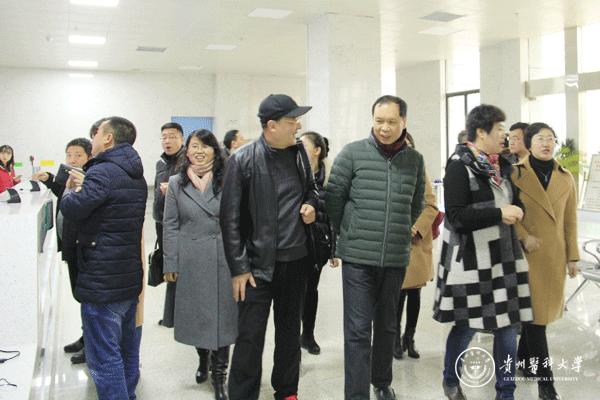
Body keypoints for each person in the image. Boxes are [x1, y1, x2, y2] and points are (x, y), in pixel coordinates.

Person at [326, 95, 425, 400]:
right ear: (372, 120)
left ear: (403, 122)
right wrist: (349, 231)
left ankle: (381, 382)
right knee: (357, 330)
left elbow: (416, 204)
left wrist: (397, 231)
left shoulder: (414, 160)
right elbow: (334, 199)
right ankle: (357, 395)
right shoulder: (352, 153)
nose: (385, 128)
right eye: (379, 121)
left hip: (394, 257)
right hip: (358, 257)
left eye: (392, 122)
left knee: (387, 326)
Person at [220, 93, 318, 400]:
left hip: (296, 262)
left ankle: (287, 391)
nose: (298, 126)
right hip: (256, 267)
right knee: (250, 338)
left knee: (289, 334)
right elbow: (229, 219)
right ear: (271, 126)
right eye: (292, 121)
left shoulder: (299, 154)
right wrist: (239, 268)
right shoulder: (242, 160)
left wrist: (312, 205)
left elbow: (313, 190)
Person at [433, 104, 533, 400]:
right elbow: (456, 216)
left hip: (505, 257)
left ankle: (506, 393)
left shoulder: (503, 166)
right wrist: (500, 213)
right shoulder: (458, 166)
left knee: (507, 327)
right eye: (499, 129)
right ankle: (451, 380)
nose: (504, 135)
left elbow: (514, 202)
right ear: (481, 131)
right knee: (466, 327)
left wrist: (517, 210)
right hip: (472, 261)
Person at [60, 117, 147, 400]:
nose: (93, 138)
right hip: (127, 276)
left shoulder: (102, 172)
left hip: (102, 279)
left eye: (96, 133)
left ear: (108, 138)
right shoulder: (135, 174)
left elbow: (74, 209)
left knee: (104, 358)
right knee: (126, 350)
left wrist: (71, 189)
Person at [162, 129, 237, 400]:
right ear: (187, 150)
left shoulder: (228, 179)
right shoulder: (176, 183)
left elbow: (238, 220)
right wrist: (170, 262)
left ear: (215, 150)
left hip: (222, 258)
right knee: (197, 315)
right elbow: (170, 225)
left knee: (223, 319)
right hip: (190, 258)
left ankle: (220, 376)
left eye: (205, 146)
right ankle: (203, 357)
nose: (199, 151)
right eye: (194, 146)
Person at [511, 122, 579, 400]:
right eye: (540, 138)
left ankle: (523, 358)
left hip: (553, 256)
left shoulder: (566, 177)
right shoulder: (515, 174)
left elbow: (570, 221)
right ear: (529, 143)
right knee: (537, 318)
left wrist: (573, 256)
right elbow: (507, 213)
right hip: (525, 254)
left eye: (551, 138)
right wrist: (524, 236)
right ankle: (546, 384)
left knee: (538, 317)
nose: (546, 143)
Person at [32, 137, 93, 365]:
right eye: (69, 155)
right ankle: (86, 337)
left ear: (89, 157)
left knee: (87, 297)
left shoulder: (91, 178)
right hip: (70, 247)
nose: (72, 159)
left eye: (78, 155)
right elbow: (64, 194)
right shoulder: (71, 176)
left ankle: (91, 344)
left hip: (82, 247)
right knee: (80, 295)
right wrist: (49, 179)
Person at [392, 132, 437, 361]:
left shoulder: (420, 169)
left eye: (408, 145)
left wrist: (416, 228)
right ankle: (394, 338)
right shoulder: (388, 170)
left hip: (416, 241)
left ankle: (409, 338)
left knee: (414, 293)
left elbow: (431, 204)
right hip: (395, 240)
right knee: (397, 294)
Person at [298, 131, 337, 356]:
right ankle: (293, 336)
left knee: (311, 290)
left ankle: (308, 335)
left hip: (317, 243)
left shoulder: (329, 177)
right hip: (295, 242)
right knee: (295, 291)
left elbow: (334, 216)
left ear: (317, 150)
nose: (299, 149)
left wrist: (333, 250)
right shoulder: (295, 173)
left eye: (304, 145)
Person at [154, 122, 185, 328]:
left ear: (182, 139)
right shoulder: (161, 164)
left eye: (172, 136)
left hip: (180, 223)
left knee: (178, 268)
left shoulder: (187, 162)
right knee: (169, 267)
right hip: (162, 220)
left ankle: (176, 316)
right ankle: (171, 315)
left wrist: (173, 192)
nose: (167, 141)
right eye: (164, 137)